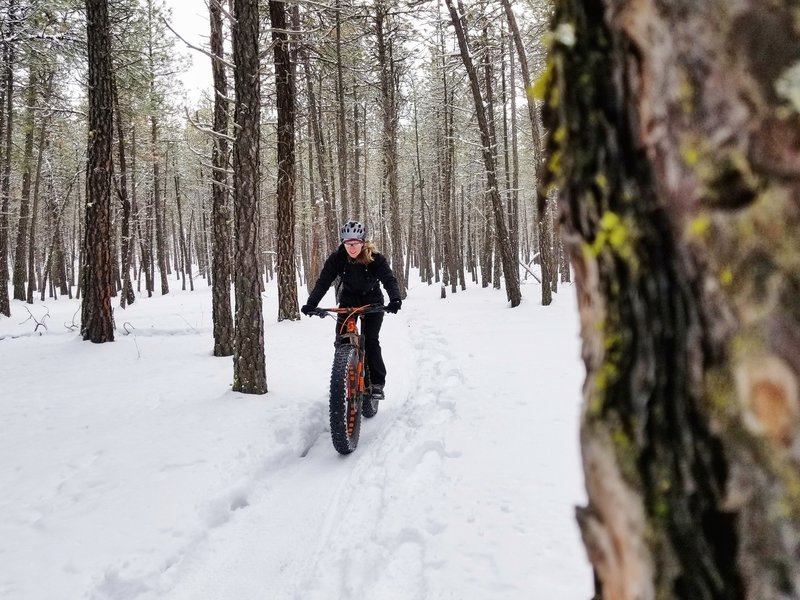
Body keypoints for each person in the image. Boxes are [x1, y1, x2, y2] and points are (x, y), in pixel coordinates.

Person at [301, 220, 402, 400]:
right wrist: (311, 303)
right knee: (342, 340)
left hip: (373, 302)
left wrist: (395, 299)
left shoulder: (375, 258)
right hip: (348, 302)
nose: (352, 248)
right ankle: (342, 378)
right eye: (347, 244)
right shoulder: (337, 258)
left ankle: (377, 383)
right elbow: (323, 282)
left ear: (363, 242)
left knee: (370, 340)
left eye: (355, 243)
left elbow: (388, 279)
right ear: (343, 243)